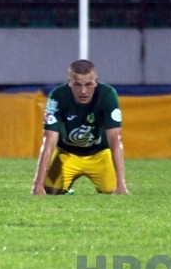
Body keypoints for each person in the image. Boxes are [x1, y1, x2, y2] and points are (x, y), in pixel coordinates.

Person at [32, 59, 129, 196]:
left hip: (99, 154)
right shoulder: (58, 96)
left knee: (112, 191)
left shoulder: (107, 94)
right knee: (50, 191)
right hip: (67, 153)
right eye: (77, 84)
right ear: (70, 82)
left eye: (88, 84)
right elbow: (49, 139)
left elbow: (115, 138)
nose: (83, 91)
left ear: (96, 81)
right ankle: (64, 188)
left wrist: (121, 183)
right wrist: (38, 184)